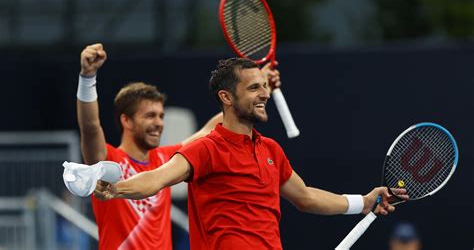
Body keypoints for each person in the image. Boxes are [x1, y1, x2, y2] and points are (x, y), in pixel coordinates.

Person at [94, 57, 408, 250]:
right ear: (226, 97)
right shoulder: (205, 149)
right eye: (254, 88)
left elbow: (306, 197)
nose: (264, 94)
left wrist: (364, 202)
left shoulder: (271, 150)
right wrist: (115, 188)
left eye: (264, 87)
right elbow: (156, 179)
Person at [76, 44, 255, 249]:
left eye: (161, 116)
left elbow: (210, 129)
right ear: (126, 121)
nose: (159, 123)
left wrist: (254, 88)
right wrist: (87, 78)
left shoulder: (166, 159)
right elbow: (90, 127)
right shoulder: (107, 162)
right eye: (150, 116)